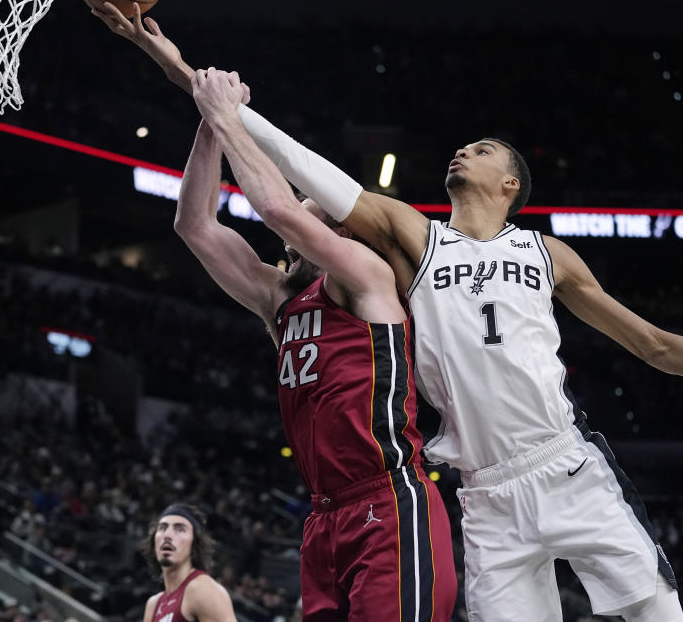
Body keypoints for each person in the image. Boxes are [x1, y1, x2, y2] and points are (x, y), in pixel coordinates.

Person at [92, 5, 683, 622]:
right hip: (483, 495)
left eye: (483, 148)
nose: (465, 149)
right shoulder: (413, 240)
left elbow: (654, 344)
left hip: (565, 464)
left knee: (660, 613)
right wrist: (180, 70)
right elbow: (295, 167)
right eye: (464, 144)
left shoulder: (549, 253)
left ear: (510, 183)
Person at [151, 68, 456, 620]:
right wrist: (209, 125)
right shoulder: (280, 299)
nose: (293, 225)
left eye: (313, 210)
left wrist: (228, 115)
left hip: (386, 500)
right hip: (323, 518)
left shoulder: (364, 276)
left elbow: (279, 211)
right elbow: (193, 225)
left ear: (339, 231)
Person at [142, 504, 236, 622]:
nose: (167, 535)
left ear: (194, 545)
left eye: (180, 529)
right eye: (162, 528)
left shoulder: (202, 589)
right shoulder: (153, 605)